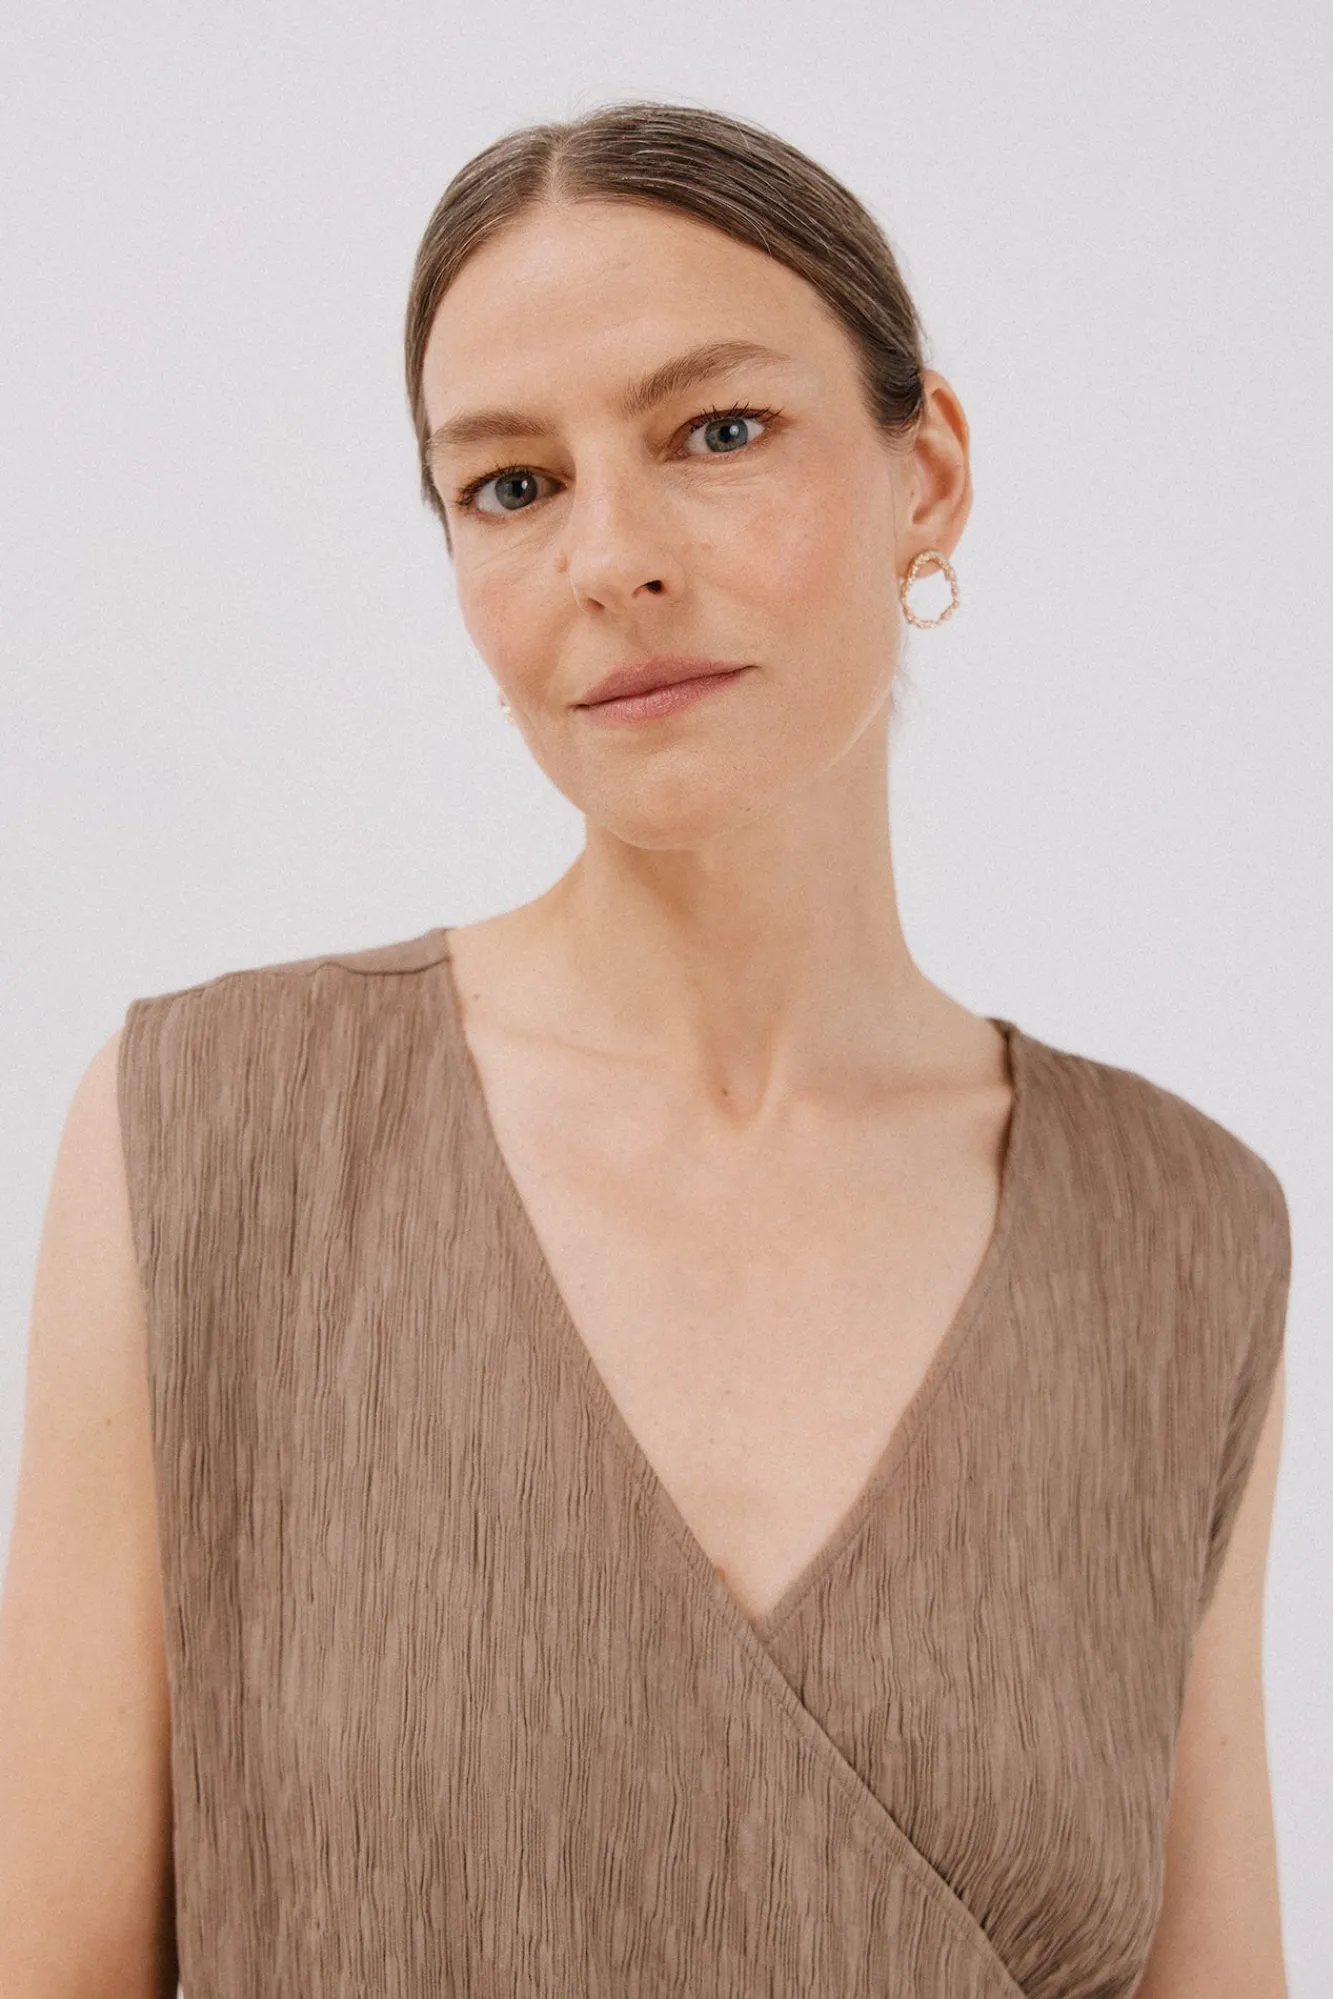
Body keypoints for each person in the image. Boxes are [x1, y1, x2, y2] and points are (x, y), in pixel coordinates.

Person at [1, 101, 1290, 1998]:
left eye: (718, 431)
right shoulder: (209, 1133)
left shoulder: (1182, 1226)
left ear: (927, 472)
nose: (609, 558)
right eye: (512, 484)